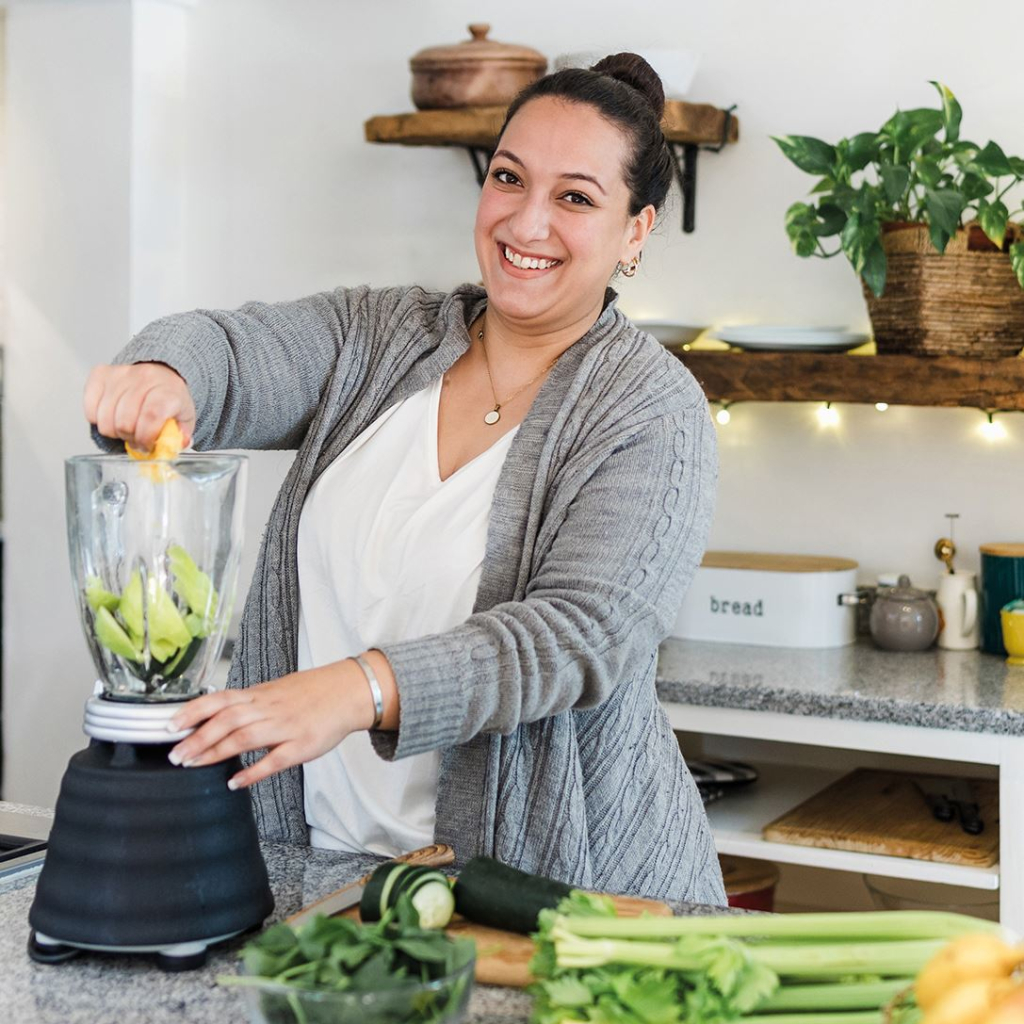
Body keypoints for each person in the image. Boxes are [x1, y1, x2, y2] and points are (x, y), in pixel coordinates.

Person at [84, 53, 725, 905]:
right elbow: (240, 349)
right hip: (325, 876)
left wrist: (354, 691)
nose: (527, 223)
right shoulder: (381, 335)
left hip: (553, 898)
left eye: (575, 197)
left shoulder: (651, 409)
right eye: (508, 178)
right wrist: (165, 371)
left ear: (635, 231)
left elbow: (579, 635)